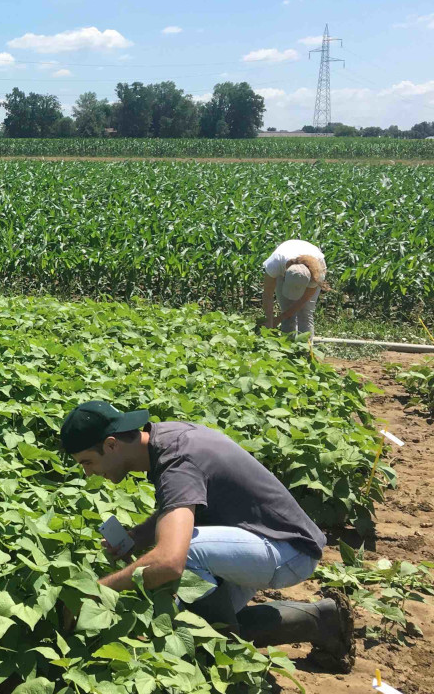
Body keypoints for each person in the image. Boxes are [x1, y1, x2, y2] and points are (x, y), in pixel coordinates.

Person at [60, 400, 354, 672]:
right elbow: (180, 506)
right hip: (255, 538)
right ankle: (323, 620)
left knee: (184, 553)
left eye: (87, 462)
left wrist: (97, 591)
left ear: (111, 445)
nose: (87, 473)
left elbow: (170, 561)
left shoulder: (176, 462)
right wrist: (138, 536)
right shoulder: (166, 438)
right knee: (194, 626)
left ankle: (225, 668)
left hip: (288, 548)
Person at [261, 240, 329, 335]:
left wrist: (279, 319)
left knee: (305, 312)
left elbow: (303, 300)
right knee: (286, 308)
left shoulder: (317, 274)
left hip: (313, 269)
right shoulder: (275, 265)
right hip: (285, 260)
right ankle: (287, 344)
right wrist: (269, 321)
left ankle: (306, 347)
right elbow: (268, 294)